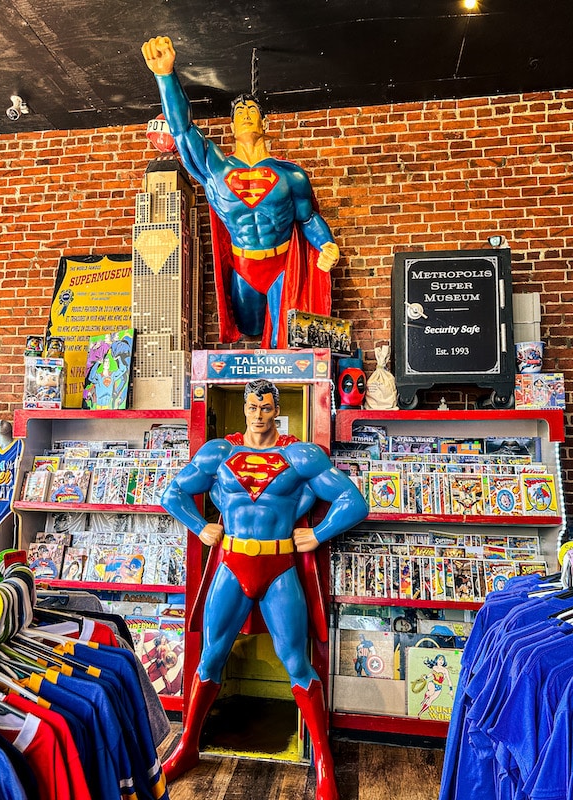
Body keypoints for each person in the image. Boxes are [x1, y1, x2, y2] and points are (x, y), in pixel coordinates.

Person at [160, 378, 368, 800]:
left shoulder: (300, 455)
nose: (258, 415)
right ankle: (188, 746)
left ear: (277, 409)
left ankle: (324, 762)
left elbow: (354, 501)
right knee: (212, 654)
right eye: (252, 407)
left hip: (278, 567)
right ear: (244, 407)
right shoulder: (221, 452)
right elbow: (172, 492)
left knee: (295, 660)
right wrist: (200, 526)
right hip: (232, 564)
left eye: (266, 407)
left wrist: (320, 532)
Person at [141, 36, 340, 349]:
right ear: (231, 126)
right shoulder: (215, 169)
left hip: (280, 266)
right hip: (243, 266)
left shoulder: (291, 175)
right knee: (249, 329)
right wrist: (165, 75)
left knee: (280, 344)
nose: (246, 112)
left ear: (264, 121)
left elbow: (308, 217)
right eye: (239, 111)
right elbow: (182, 130)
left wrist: (327, 244)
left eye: (252, 109)